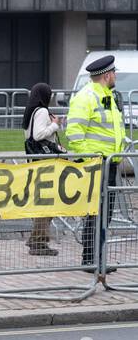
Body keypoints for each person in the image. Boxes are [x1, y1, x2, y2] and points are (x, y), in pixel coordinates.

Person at [66, 55, 126, 269]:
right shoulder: (87, 96)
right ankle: (90, 259)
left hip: (110, 164)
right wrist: (91, 158)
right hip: (97, 164)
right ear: (107, 75)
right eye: (114, 73)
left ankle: (98, 258)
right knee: (95, 213)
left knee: (105, 214)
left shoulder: (106, 96)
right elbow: (73, 132)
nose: (115, 76)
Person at [23, 82, 65, 257]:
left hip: (37, 161)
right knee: (46, 203)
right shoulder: (40, 112)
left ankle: (37, 238)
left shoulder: (31, 112)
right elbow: (39, 135)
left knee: (44, 202)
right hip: (45, 164)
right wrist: (55, 124)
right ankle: (39, 240)